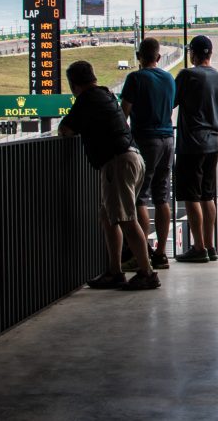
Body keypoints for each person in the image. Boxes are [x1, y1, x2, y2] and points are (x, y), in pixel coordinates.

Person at [59, 61, 159, 290]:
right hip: (132, 158)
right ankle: (115, 271)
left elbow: (66, 128)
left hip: (118, 163)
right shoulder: (105, 94)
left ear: (74, 84)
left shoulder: (87, 99)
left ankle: (147, 272)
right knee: (109, 216)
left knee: (125, 219)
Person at [119, 37, 175, 271]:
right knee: (162, 196)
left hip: (146, 140)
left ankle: (142, 253)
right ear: (159, 57)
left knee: (139, 197)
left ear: (139, 57)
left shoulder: (134, 78)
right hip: (168, 140)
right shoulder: (169, 78)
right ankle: (161, 253)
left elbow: (123, 114)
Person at [174, 35, 218, 263]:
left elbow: (171, 101)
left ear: (193, 54)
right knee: (209, 196)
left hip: (191, 144)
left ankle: (198, 247)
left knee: (191, 196)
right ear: (210, 54)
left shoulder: (188, 75)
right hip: (213, 144)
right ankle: (210, 244)